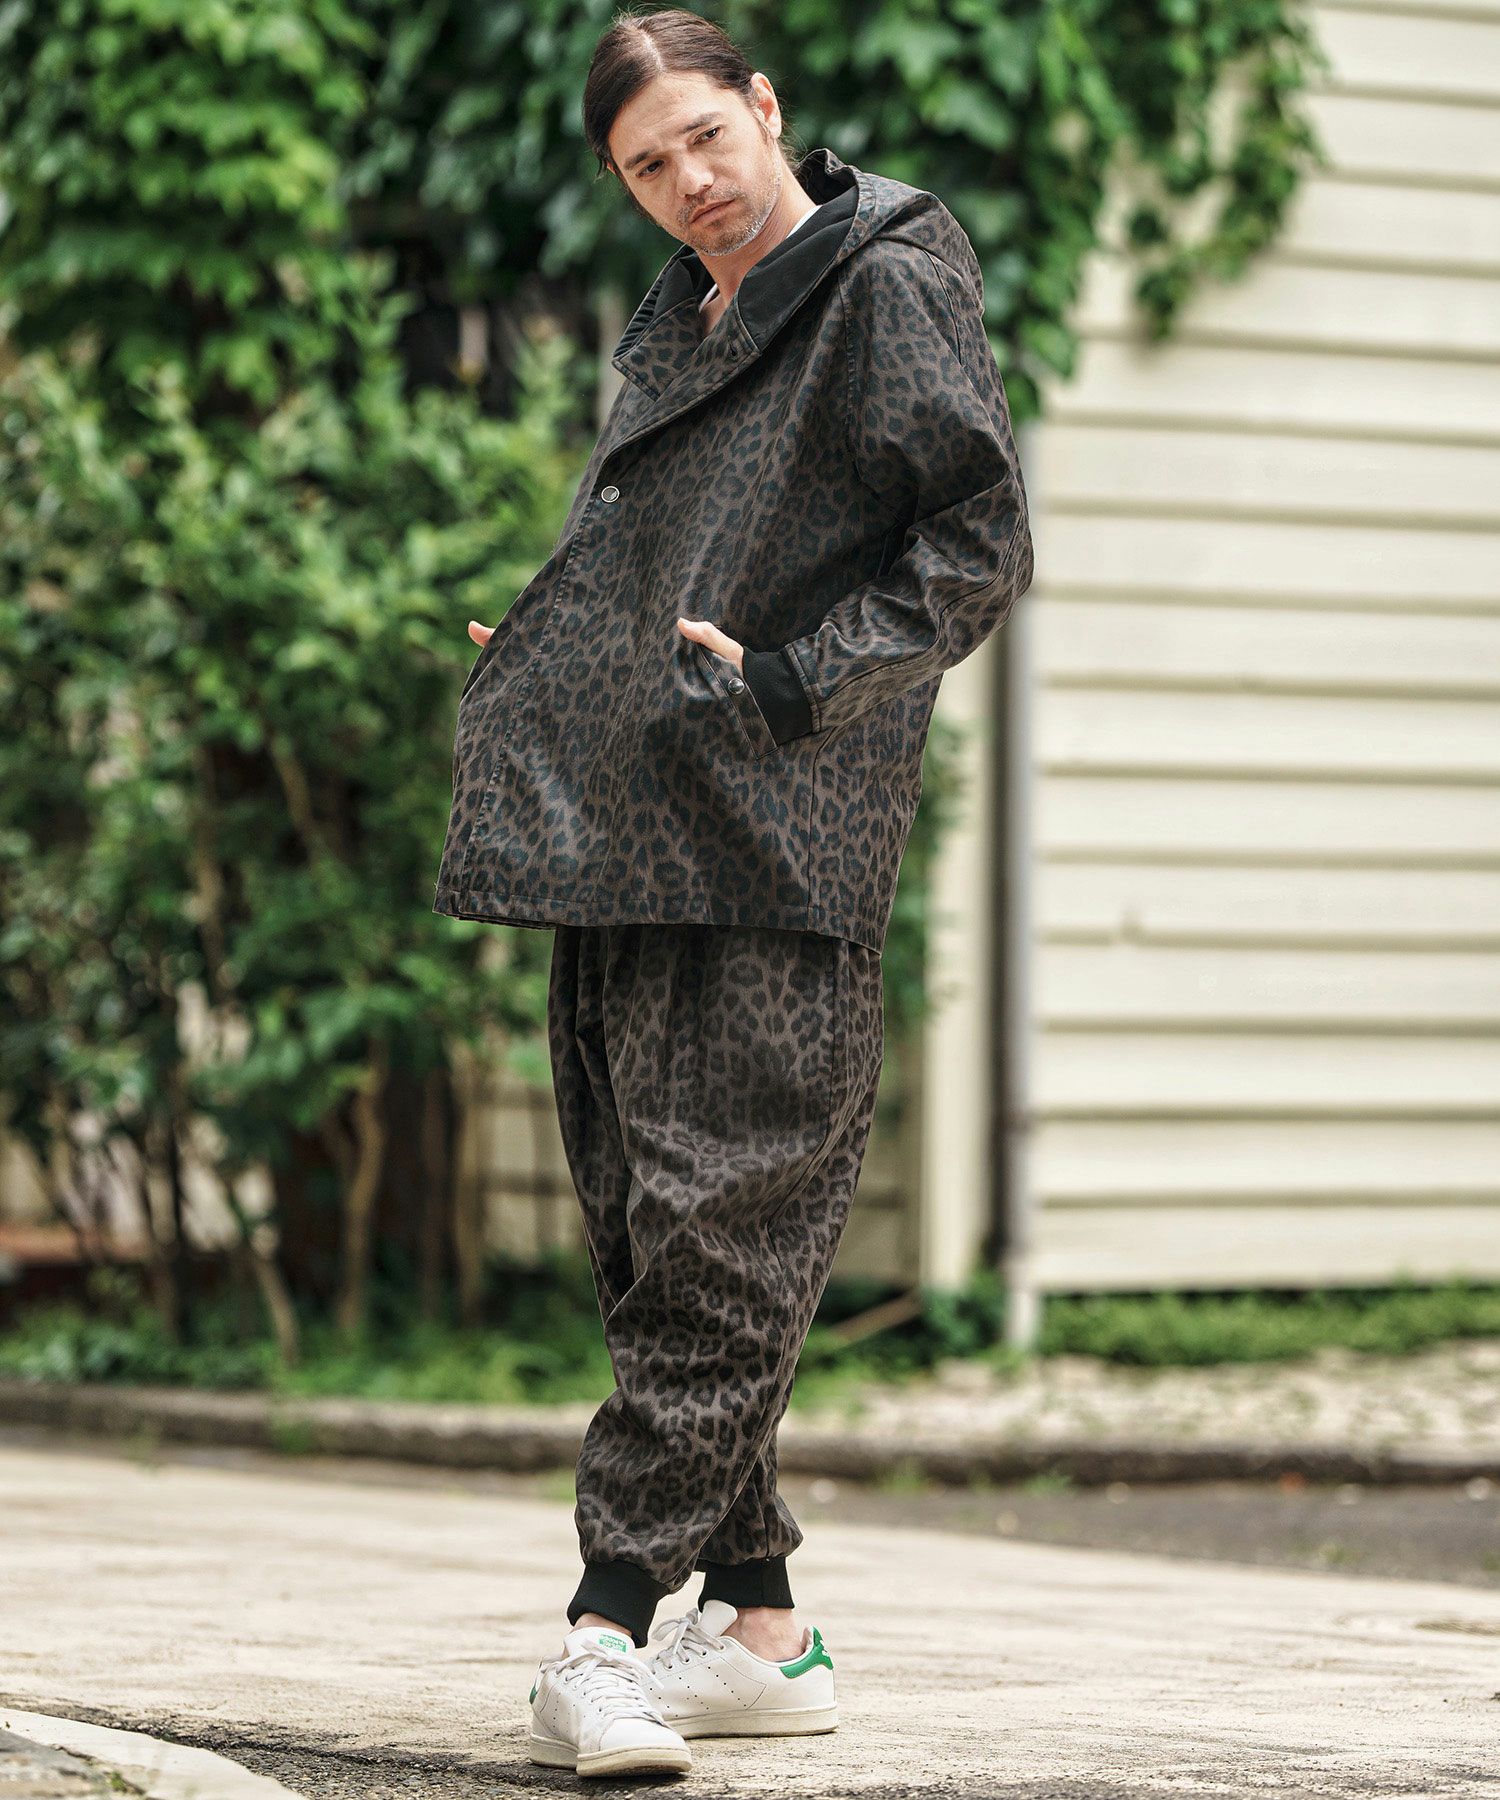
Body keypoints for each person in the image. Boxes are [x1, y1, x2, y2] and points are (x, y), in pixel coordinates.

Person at [432, 8, 1034, 1780]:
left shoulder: (880, 280)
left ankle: (603, 1631)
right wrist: (566, 652)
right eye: (648, 165)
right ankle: (762, 1629)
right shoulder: (685, 318)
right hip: (633, 831)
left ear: (766, 108)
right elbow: (671, 562)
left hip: (777, 845)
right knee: (655, 1233)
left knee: (724, 1238)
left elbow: (978, 539)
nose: (690, 181)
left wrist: (788, 685)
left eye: (707, 135)